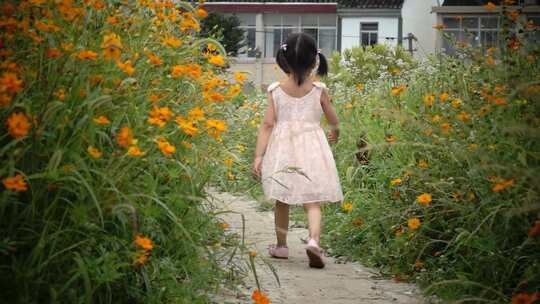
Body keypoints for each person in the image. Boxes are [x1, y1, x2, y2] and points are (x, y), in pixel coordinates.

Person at [251, 33, 343, 269]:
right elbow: (333, 119)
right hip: (313, 148)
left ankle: (281, 246)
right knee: (313, 202)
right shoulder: (319, 89)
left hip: (283, 150)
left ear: (285, 59)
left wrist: (259, 156)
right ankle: (314, 240)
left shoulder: (275, 90)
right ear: (315, 61)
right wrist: (335, 132)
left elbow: (267, 125)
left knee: (282, 199)